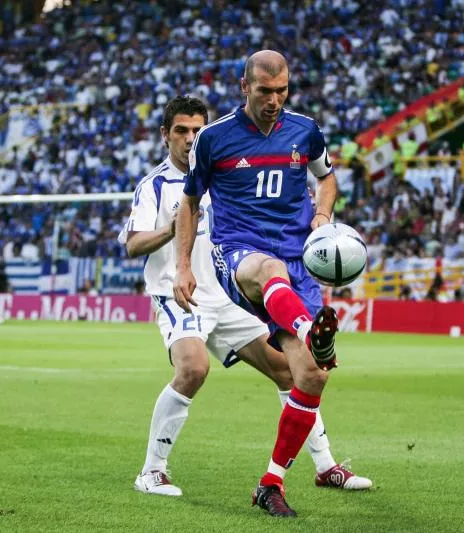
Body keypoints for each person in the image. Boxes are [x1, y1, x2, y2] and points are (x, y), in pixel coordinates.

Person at [121, 96, 370, 500]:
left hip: (226, 295)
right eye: (181, 131)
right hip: (179, 294)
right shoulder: (154, 185)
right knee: (193, 369)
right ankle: (151, 471)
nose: (190, 139)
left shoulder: (219, 171)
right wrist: (172, 231)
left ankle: (326, 466)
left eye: (197, 130)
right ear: (165, 135)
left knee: (289, 371)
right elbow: (133, 245)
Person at [175, 51, 361, 518]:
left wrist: (321, 217)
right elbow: (190, 203)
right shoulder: (214, 139)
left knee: (311, 377)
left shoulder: (305, 130)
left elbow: (327, 180)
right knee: (269, 273)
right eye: (265, 92)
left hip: (298, 258)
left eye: (282, 91)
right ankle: (308, 332)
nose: (275, 100)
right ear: (245, 87)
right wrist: (183, 265)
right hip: (240, 252)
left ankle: (270, 482)